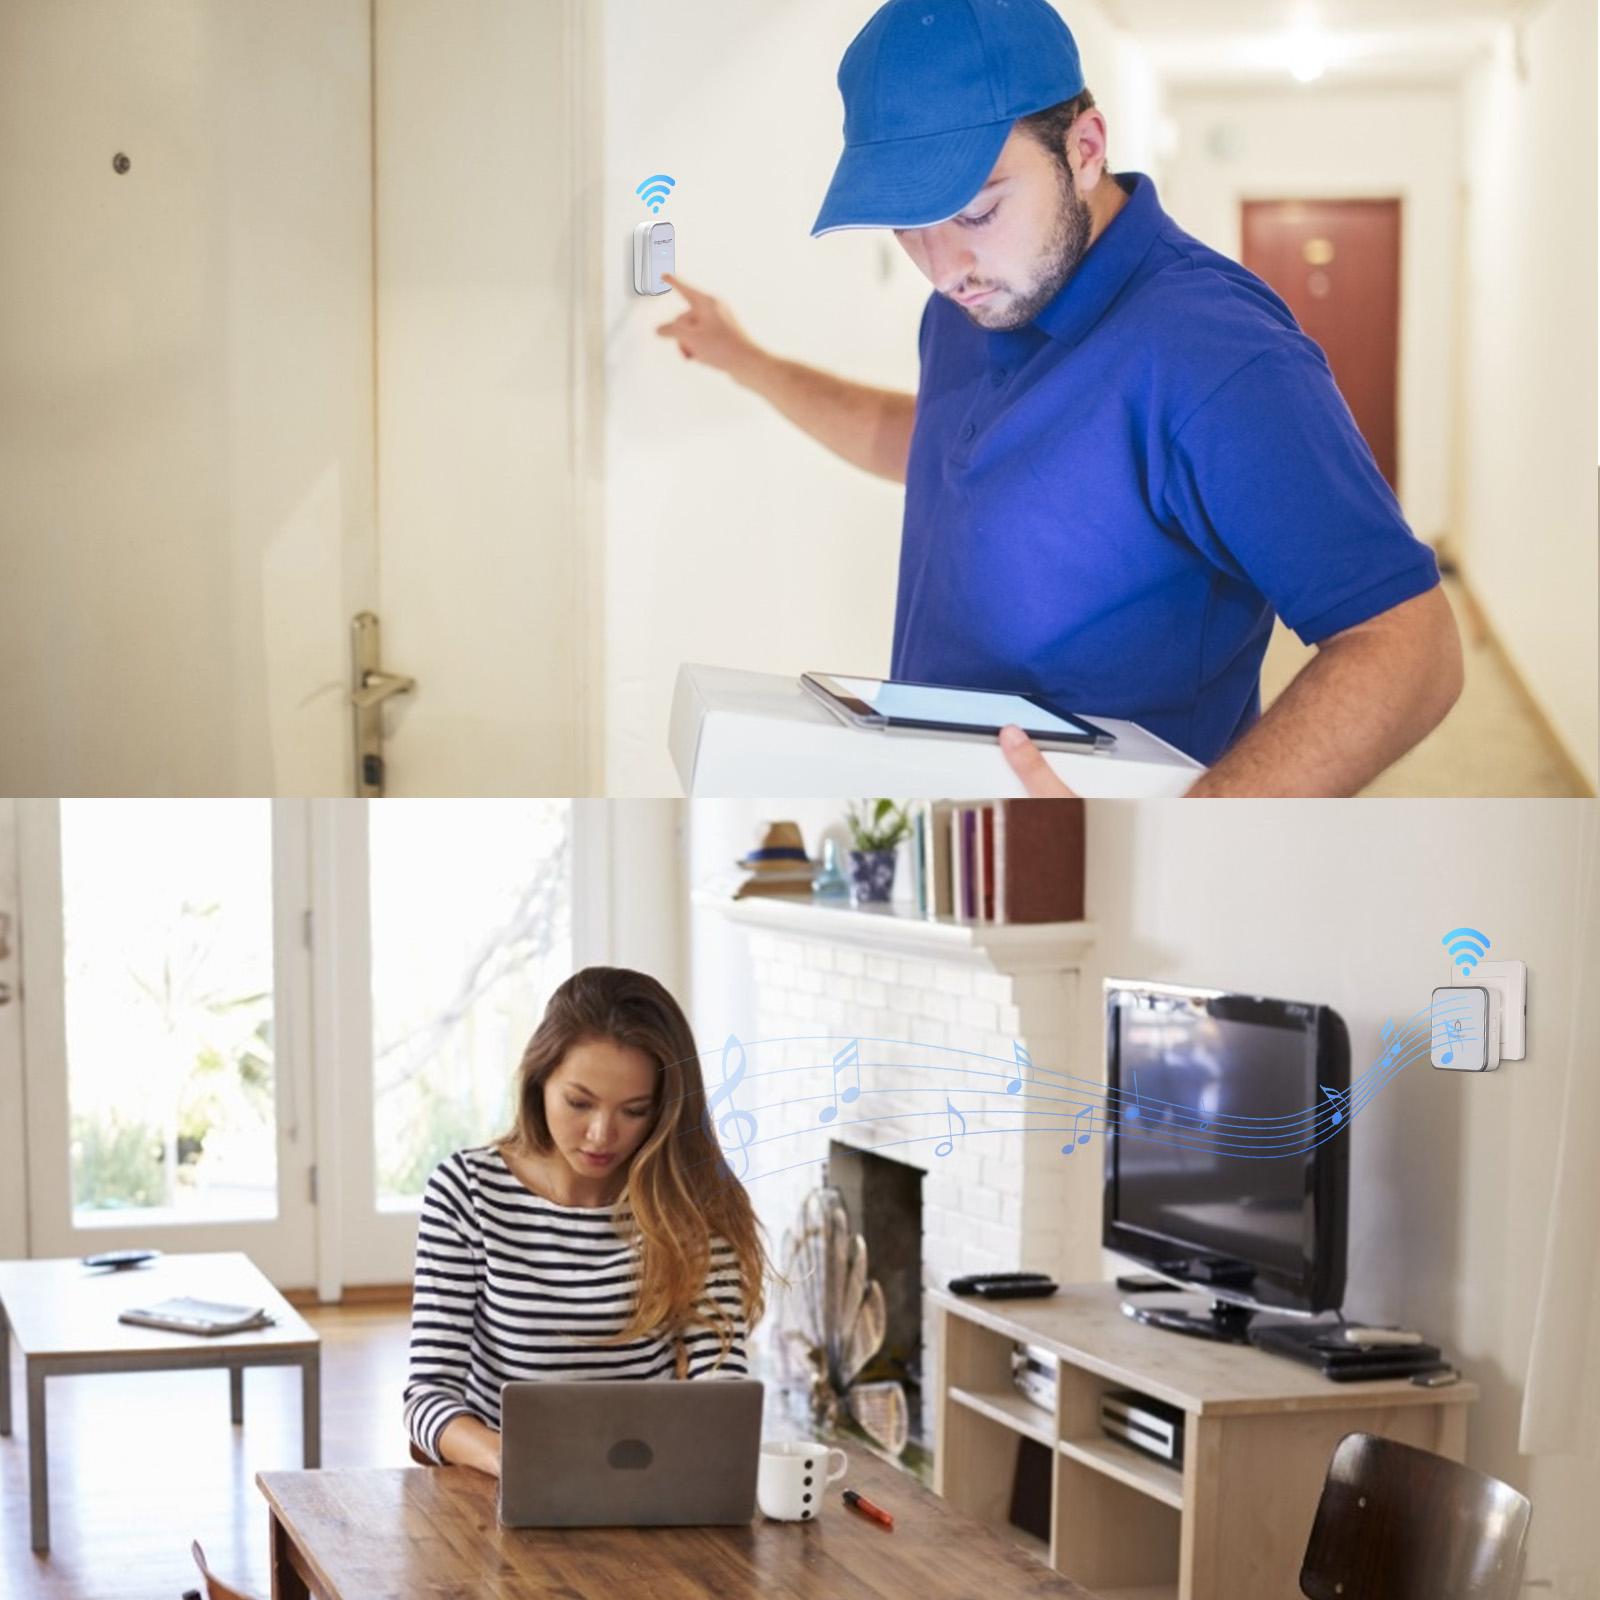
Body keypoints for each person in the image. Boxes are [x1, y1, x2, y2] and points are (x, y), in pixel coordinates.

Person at [657, 0, 1463, 798]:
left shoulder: (1215, 352)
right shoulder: (971, 303)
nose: (943, 269)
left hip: (1107, 864)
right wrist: (745, 360)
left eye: (977, 211)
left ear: (1084, 149)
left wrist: (1185, 839)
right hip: (949, 823)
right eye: (909, 227)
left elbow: (1409, 647)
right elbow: (924, 442)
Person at [402, 966, 767, 1478]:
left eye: (634, 1111)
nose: (601, 1135)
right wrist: (512, 1460)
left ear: (663, 1110)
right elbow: (427, 1398)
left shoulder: (692, 1203)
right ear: (540, 1079)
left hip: (647, 1489)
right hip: (500, 1493)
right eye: (579, 1102)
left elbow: (720, 1389)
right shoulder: (467, 1191)